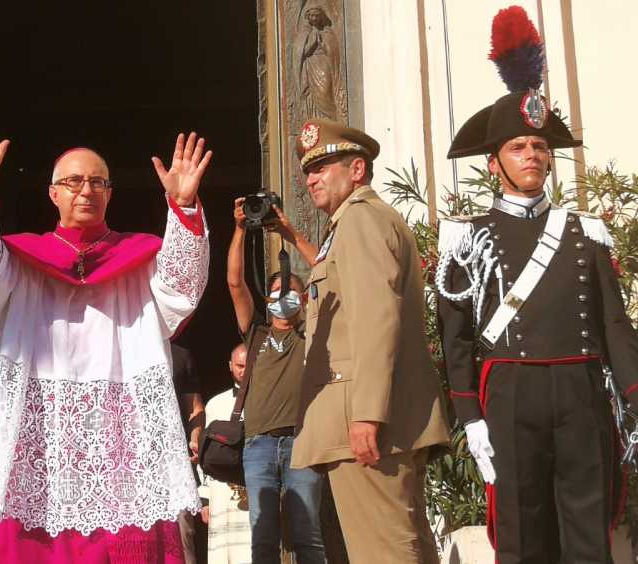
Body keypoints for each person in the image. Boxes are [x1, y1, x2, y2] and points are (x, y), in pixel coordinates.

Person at [0, 115, 212, 562]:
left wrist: (184, 206)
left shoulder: (141, 259)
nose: (85, 190)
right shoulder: (20, 261)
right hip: (41, 435)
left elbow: (183, 287)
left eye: (97, 182)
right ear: (53, 194)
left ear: (110, 193)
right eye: (73, 182)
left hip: (121, 440)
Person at [436, 7, 638, 562]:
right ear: (494, 163)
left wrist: (634, 396)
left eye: (540, 147)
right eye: (518, 148)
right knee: (522, 538)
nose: (532, 156)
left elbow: (614, 325)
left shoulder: (586, 232)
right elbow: (456, 339)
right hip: (511, 392)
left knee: (589, 533)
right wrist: (469, 417)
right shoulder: (468, 238)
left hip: (581, 390)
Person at [289, 118, 450, 563]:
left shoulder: (359, 219)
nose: (311, 180)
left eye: (323, 167)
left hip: (363, 422)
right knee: (405, 546)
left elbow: (376, 319)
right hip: (375, 418)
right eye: (308, 171)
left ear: (357, 169)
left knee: (383, 554)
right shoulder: (361, 221)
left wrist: (367, 414)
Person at [226, 193, 325, 563]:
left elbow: (329, 270)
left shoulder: (311, 332)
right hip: (259, 446)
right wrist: (240, 229)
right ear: (267, 299)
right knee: (263, 539)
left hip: (303, 442)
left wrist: (288, 232)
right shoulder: (257, 332)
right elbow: (235, 283)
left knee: (308, 536)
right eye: (277, 292)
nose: (284, 298)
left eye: (291, 291)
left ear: (305, 298)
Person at [199, 344, 253, 564]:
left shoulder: (268, 401)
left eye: (249, 365)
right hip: (222, 491)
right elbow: (205, 454)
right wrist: (205, 498)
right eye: (240, 365)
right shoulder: (215, 404)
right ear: (230, 366)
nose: (244, 370)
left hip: (257, 484)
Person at [171, 342, 207, 564]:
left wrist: (194, 440)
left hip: (174, 461)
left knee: (182, 534)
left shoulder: (180, 355)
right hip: (130, 464)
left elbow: (195, 408)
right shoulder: (120, 347)